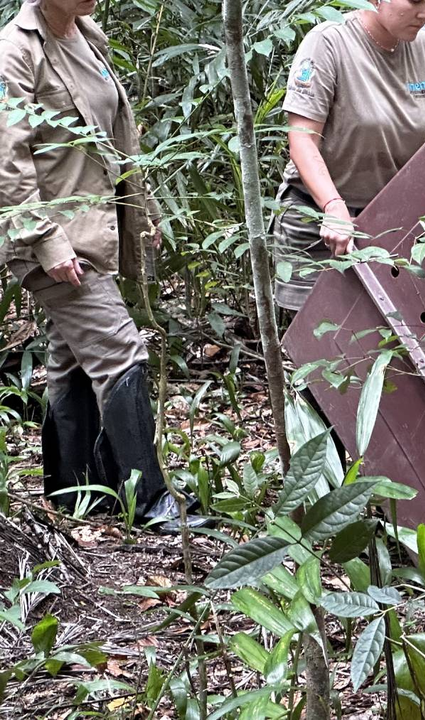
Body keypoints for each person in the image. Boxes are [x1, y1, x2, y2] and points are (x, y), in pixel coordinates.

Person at [0, 0, 208, 531]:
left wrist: (144, 210)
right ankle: (152, 500)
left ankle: (74, 489)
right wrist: (46, 240)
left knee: (71, 355)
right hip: (57, 239)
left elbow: (119, 136)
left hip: (100, 228)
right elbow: (8, 158)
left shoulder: (88, 35)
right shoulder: (16, 50)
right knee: (121, 352)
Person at [274, 0, 425, 311]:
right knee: (322, 344)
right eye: (416, 1)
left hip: (389, 223)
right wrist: (332, 206)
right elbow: (301, 139)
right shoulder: (329, 41)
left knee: (389, 340)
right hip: (319, 220)